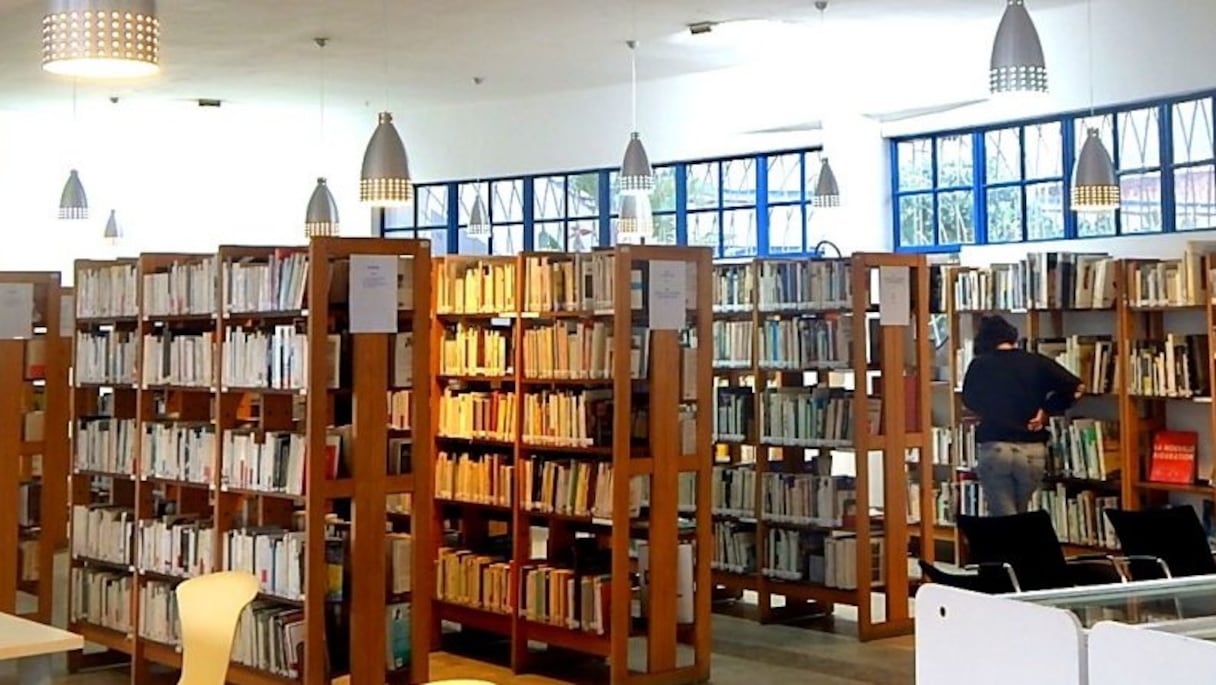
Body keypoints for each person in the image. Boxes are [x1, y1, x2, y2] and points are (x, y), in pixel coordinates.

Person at [961, 315, 1084, 517]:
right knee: (1020, 514)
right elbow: (1077, 387)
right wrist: (1047, 410)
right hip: (1033, 450)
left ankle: (1012, 549)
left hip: (996, 446)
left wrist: (992, 409)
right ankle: (1022, 548)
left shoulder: (980, 365)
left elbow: (969, 400)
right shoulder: (1036, 361)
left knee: (1005, 519)